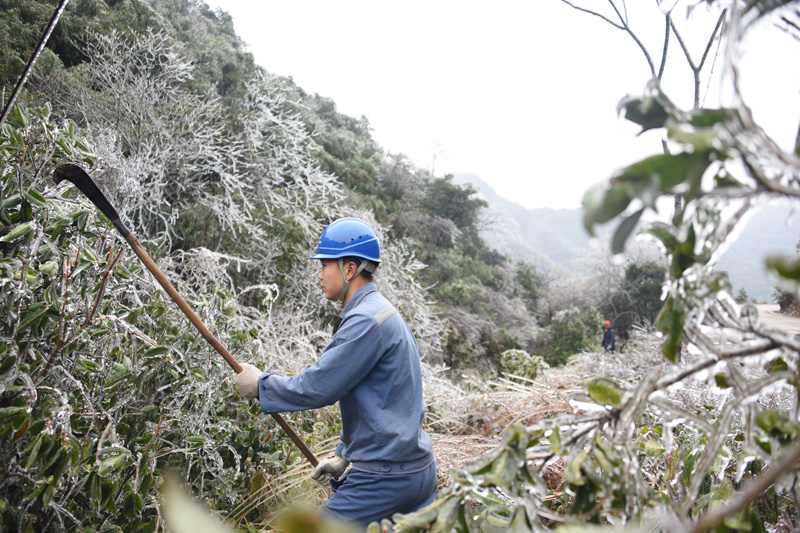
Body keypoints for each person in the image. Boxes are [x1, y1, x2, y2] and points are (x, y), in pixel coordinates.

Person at [233, 217, 437, 527]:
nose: (319, 274)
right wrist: (345, 454)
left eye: (325, 264)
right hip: (417, 471)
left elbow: (320, 386)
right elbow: (384, 399)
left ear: (350, 269)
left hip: (386, 480)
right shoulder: (382, 312)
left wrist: (261, 385)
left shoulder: (366, 320)